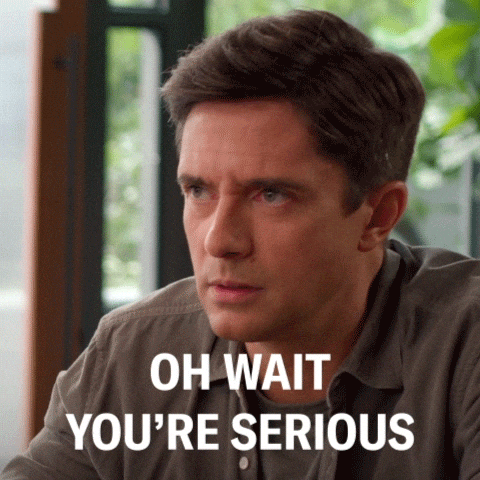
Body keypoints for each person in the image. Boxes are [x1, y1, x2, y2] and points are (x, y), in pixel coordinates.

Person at [2, 9, 480, 480]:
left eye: (271, 195)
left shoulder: (464, 348)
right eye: (198, 191)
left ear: (378, 216)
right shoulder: (133, 356)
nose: (219, 240)